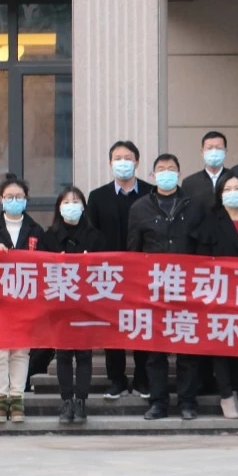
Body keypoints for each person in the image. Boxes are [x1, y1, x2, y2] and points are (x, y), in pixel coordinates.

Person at [128, 154, 206, 421]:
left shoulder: (194, 206)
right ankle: (158, 402)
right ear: (153, 175)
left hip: (188, 287)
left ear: (179, 173)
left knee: (187, 349)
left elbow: (202, 247)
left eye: (171, 168)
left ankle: (187, 402)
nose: (166, 173)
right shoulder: (140, 208)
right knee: (154, 351)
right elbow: (133, 250)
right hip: (153, 288)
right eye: (161, 169)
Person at [0, 175, 45, 424]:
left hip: (25, 301)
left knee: (21, 352)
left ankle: (17, 399)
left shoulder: (36, 230)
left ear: (26, 200)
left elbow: (46, 264)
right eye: (9, 197)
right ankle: (0, 399)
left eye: (19, 197)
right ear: (1, 200)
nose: (14, 201)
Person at [87, 140, 155, 400]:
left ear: (137, 162)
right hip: (109, 273)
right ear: (110, 163)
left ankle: (142, 379)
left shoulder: (151, 193)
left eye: (128, 158)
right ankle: (116, 379)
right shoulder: (98, 197)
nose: (123, 162)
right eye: (118, 158)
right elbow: (91, 234)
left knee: (142, 322)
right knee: (112, 326)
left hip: (143, 272)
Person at [40, 186, 106, 425]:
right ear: (59, 207)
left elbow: (106, 269)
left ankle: (81, 400)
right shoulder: (49, 236)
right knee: (64, 354)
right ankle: (67, 400)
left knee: (84, 354)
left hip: (86, 304)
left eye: (76, 201)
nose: (71, 206)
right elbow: (39, 268)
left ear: (83, 207)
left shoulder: (95, 236)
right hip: (59, 304)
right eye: (67, 202)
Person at [193, 175, 238, 419]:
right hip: (219, 293)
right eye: (228, 188)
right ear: (220, 194)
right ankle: (225, 395)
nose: (233, 192)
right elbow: (201, 259)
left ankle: (235, 391)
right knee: (221, 344)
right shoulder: (211, 221)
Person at [182, 131, 233, 208]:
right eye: (209, 148)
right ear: (202, 152)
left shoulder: (234, 178)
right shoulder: (189, 183)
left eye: (218, 148)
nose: (214, 152)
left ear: (225, 151)